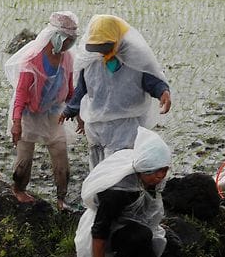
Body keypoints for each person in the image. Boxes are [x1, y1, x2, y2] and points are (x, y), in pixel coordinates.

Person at [75, 126, 176, 257]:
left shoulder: (149, 178)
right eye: (156, 172)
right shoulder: (117, 192)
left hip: (127, 224)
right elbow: (100, 229)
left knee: (148, 246)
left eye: (164, 170)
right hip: (110, 231)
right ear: (142, 169)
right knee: (141, 238)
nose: (161, 176)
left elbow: (149, 207)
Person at [60, 14, 171, 168]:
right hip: (96, 123)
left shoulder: (135, 58)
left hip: (126, 124)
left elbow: (151, 80)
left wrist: (163, 92)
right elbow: (82, 88)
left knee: (120, 165)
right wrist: (70, 110)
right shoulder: (91, 60)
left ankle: (121, 191)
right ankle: (100, 191)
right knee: (99, 167)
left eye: (106, 46)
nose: (102, 52)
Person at [4, 11, 79, 210]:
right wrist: (17, 122)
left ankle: (61, 197)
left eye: (71, 42)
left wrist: (77, 113)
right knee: (24, 157)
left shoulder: (67, 58)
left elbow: (70, 90)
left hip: (53, 113)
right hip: (29, 113)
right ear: (54, 37)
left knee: (60, 151)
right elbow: (20, 94)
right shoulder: (32, 60)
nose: (67, 46)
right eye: (65, 41)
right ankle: (19, 189)